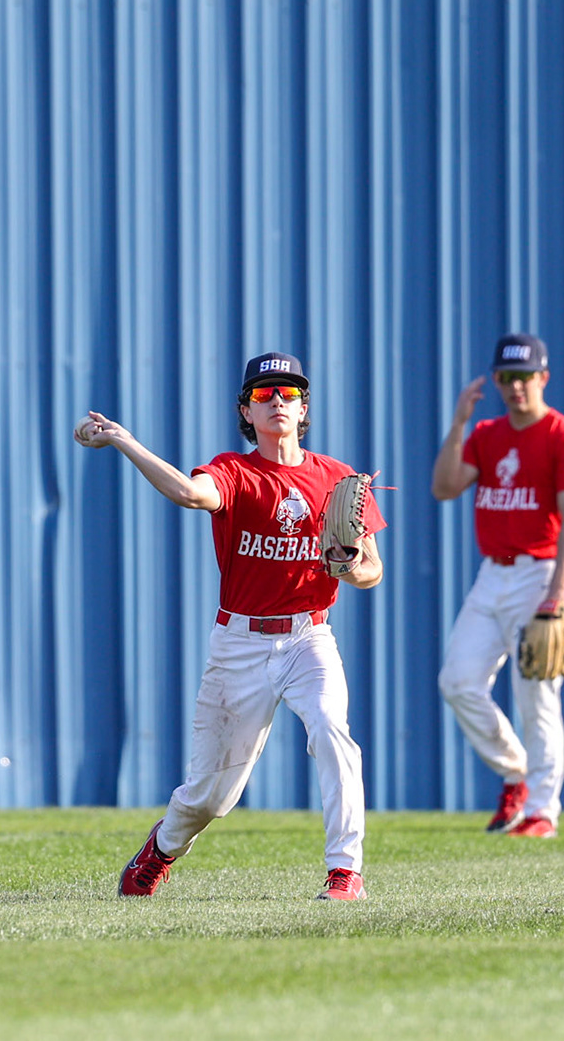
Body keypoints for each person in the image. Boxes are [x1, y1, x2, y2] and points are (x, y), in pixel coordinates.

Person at [74, 352, 386, 900]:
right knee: (211, 796)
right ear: (246, 410)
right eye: (264, 395)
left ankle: (345, 872)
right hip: (240, 643)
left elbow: (372, 571)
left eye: (289, 394)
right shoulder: (235, 472)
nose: (278, 403)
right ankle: (161, 850)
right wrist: (125, 441)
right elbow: (191, 494)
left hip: (309, 636)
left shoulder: (337, 478)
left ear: (304, 407)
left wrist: (353, 565)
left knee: (333, 732)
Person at [431, 334, 564, 838]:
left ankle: (543, 810)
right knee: (457, 682)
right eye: (507, 377)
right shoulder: (486, 433)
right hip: (493, 573)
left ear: (543, 378)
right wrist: (459, 422)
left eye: (526, 376)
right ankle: (516, 772)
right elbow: (444, 488)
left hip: (543, 572)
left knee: (536, 695)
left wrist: (557, 592)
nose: (516, 386)